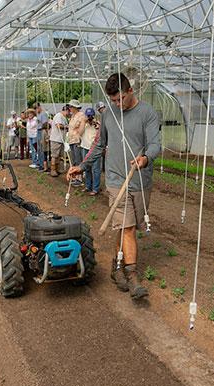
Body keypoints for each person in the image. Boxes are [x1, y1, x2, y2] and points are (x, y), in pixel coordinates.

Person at [67, 73, 161, 300]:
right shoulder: (109, 114)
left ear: (130, 91)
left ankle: (116, 266)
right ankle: (132, 277)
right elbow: (99, 144)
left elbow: (156, 143)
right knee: (127, 228)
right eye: (113, 100)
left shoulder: (147, 113)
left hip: (140, 180)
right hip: (116, 180)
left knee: (126, 227)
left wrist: (146, 158)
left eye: (120, 99)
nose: (117, 104)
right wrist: (82, 165)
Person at [80, 108, 101, 195]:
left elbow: (101, 134)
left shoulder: (97, 123)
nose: (89, 117)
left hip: (94, 149)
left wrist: (97, 126)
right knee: (87, 168)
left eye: (91, 116)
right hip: (85, 147)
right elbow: (80, 133)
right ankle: (88, 186)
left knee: (96, 169)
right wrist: (84, 122)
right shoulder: (83, 123)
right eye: (88, 116)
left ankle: (95, 188)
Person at [66, 99, 86, 186]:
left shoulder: (81, 115)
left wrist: (79, 138)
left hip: (77, 140)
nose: (69, 108)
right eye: (69, 106)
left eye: (71, 106)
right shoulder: (73, 115)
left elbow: (81, 129)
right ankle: (75, 177)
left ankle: (79, 179)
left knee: (78, 159)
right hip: (71, 140)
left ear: (75, 107)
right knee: (74, 159)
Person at [49, 106, 68, 177]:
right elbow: (58, 125)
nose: (69, 113)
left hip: (61, 139)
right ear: (66, 110)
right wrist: (67, 127)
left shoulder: (63, 117)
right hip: (56, 139)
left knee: (59, 156)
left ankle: (57, 169)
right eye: (68, 111)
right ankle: (53, 170)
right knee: (54, 155)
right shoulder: (58, 116)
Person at [35, 103, 49, 172]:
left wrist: (46, 135)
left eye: (37, 107)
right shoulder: (38, 114)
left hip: (42, 131)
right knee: (39, 149)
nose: (36, 109)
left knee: (43, 149)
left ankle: (44, 166)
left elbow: (45, 124)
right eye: (35, 108)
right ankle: (40, 165)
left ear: (40, 107)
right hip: (38, 131)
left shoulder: (43, 114)